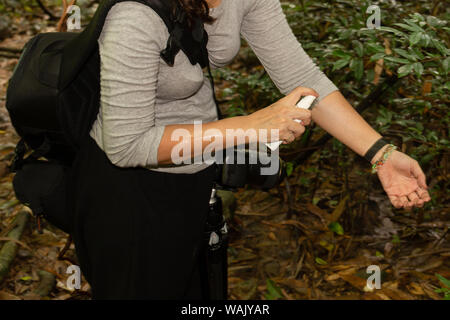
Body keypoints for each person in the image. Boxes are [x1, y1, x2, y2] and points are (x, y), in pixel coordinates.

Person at [68, 0, 431, 299]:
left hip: (193, 172)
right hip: (126, 192)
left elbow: (303, 77)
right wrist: (250, 125)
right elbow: (126, 146)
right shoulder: (133, 14)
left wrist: (380, 154)